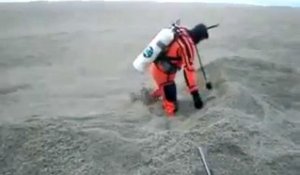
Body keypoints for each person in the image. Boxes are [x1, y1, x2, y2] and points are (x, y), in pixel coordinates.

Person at [148, 23, 209, 117]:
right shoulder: (187, 45)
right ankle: (168, 121)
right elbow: (188, 70)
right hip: (164, 76)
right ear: (199, 38)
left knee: (165, 88)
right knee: (172, 107)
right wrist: (195, 95)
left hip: (155, 66)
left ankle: (149, 98)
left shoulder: (181, 30)